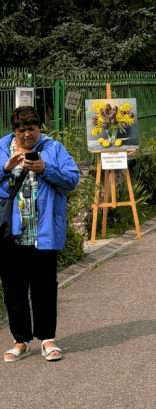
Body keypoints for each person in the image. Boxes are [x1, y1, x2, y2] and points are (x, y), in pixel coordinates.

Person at [0, 105, 81, 362]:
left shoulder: (54, 149)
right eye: (21, 130)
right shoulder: (2, 148)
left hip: (43, 230)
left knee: (45, 286)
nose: (27, 135)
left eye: (31, 129)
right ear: (14, 130)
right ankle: (20, 340)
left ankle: (47, 339)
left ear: (39, 128)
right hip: (10, 233)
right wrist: (5, 169)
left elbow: (72, 180)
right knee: (13, 287)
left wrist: (46, 169)